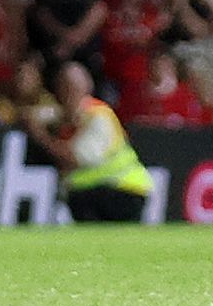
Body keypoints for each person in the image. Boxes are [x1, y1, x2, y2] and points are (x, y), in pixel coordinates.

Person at [40, 60, 152, 223]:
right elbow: (39, 114)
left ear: (87, 87)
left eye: (72, 87)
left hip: (120, 190)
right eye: (63, 87)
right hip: (89, 193)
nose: (67, 93)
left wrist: (41, 136)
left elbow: (78, 158)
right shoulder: (66, 116)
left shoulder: (98, 115)